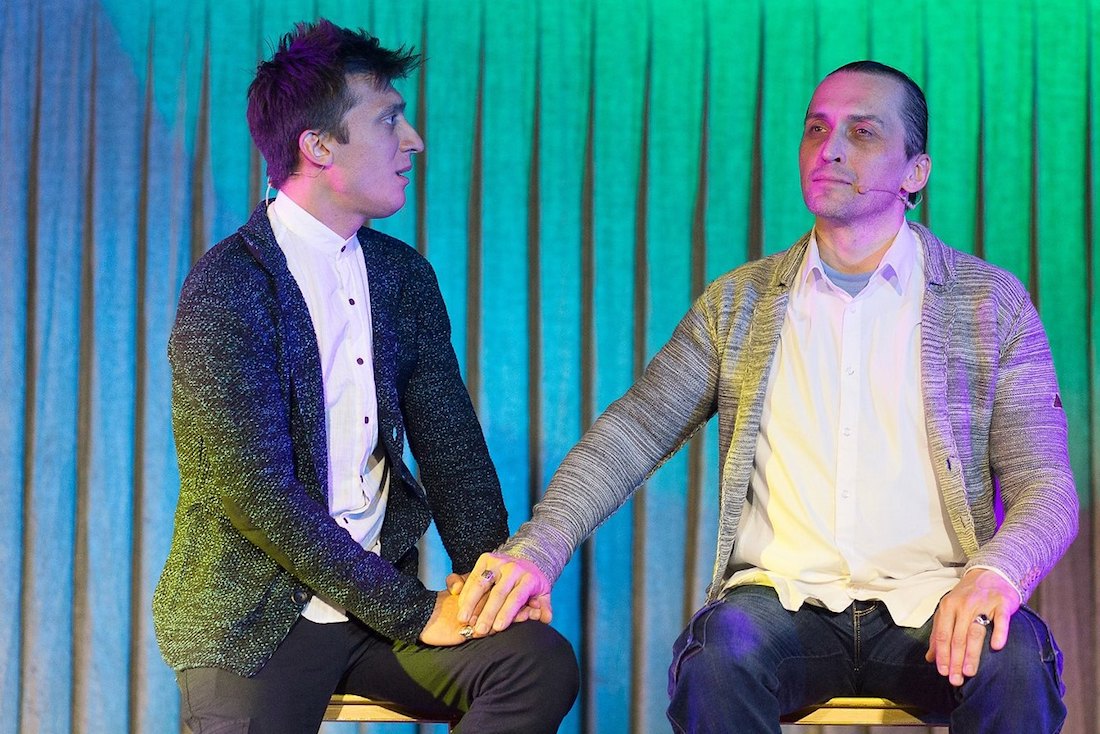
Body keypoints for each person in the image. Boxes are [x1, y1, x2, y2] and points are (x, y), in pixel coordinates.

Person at [457, 60, 1077, 733]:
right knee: (718, 657)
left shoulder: (989, 303)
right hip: (780, 604)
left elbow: (1046, 485)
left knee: (1016, 662)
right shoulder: (740, 303)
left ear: (914, 173)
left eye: (862, 132)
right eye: (817, 129)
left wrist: (995, 575)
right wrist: (537, 549)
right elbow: (629, 436)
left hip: (937, 600)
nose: (830, 148)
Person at [152, 19, 577, 734]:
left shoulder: (401, 276)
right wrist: (414, 611)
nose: (413, 141)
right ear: (318, 146)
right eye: (388, 120)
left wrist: (490, 584)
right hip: (257, 619)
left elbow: (453, 450)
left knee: (536, 664)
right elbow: (258, 495)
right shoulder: (228, 285)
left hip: (377, 618)